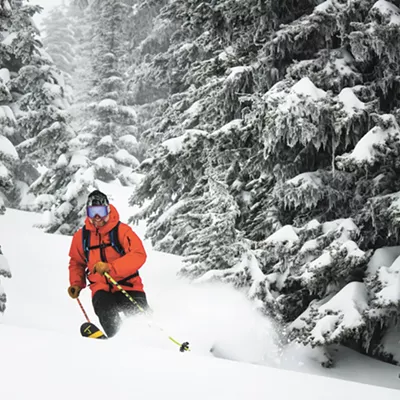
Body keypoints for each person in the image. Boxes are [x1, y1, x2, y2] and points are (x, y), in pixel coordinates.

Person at [67, 189, 149, 337]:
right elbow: (76, 262)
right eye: (93, 212)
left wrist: (111, 268)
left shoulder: (122, 231)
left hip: (128, 286)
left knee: (140, 316)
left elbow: (139, 255)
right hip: (101, 289)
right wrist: (76, 283)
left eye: (101, 211)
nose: (97, 217)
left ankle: (152, 340)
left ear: (108, 210)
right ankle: (117, 339)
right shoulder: (82, 236)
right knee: (105, 310)